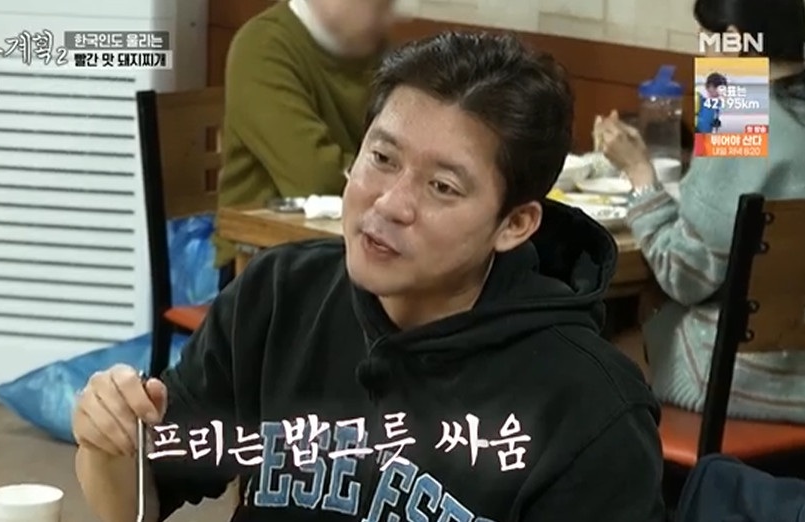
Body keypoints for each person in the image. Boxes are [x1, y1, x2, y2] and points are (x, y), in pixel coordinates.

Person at [74, 32, 665, 522]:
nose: (390, 203)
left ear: (515, 224)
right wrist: (109, 439)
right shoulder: (280, 295)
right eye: (381, 158)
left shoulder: (589, 409)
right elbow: (140, 501)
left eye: (442, 187)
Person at [596, 0, 805, 422]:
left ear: (735, 39)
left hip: (740, 379)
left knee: (595, 355)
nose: (702, 46)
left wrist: (639, 174)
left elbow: (684, 274)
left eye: (706, 35)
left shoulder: (737, 104)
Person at [213, 0, 396, 289]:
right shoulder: (263, 46)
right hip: (267, 261)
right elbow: (316, 178)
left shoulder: (382, 53)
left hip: (357, 248)